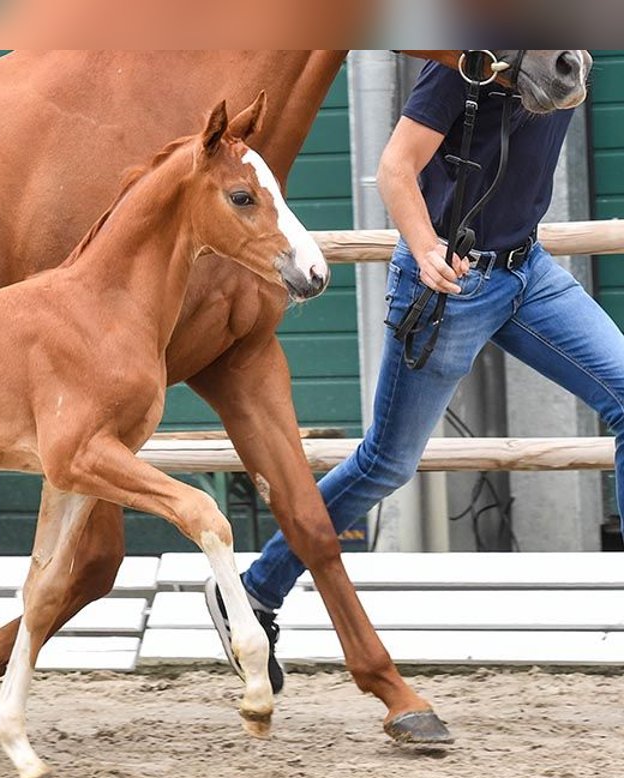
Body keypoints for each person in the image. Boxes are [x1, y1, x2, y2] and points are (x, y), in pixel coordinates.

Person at [207, 57, 621, 692]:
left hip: (527, 273)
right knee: (387, 463)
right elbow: (395, 169)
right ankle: (256, 588)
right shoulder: (462, 65)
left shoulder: (557, 58)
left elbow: (559, 91)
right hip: (450, 283)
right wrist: (426, 247)